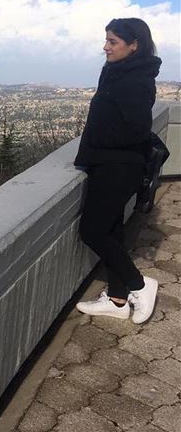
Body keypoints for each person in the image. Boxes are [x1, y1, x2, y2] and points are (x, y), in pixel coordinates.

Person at [74, 18, 162, 323]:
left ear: (133, 45)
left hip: (120, 166)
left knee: (92, 231)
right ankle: (117, 299)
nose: (105, 46)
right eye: (106, 40)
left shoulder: (137, 80)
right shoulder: (114, 72)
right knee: (111, 229)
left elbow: (137, 130)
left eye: (113, 41)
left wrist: (98, 140)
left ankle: (140, 284)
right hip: (106, 163)